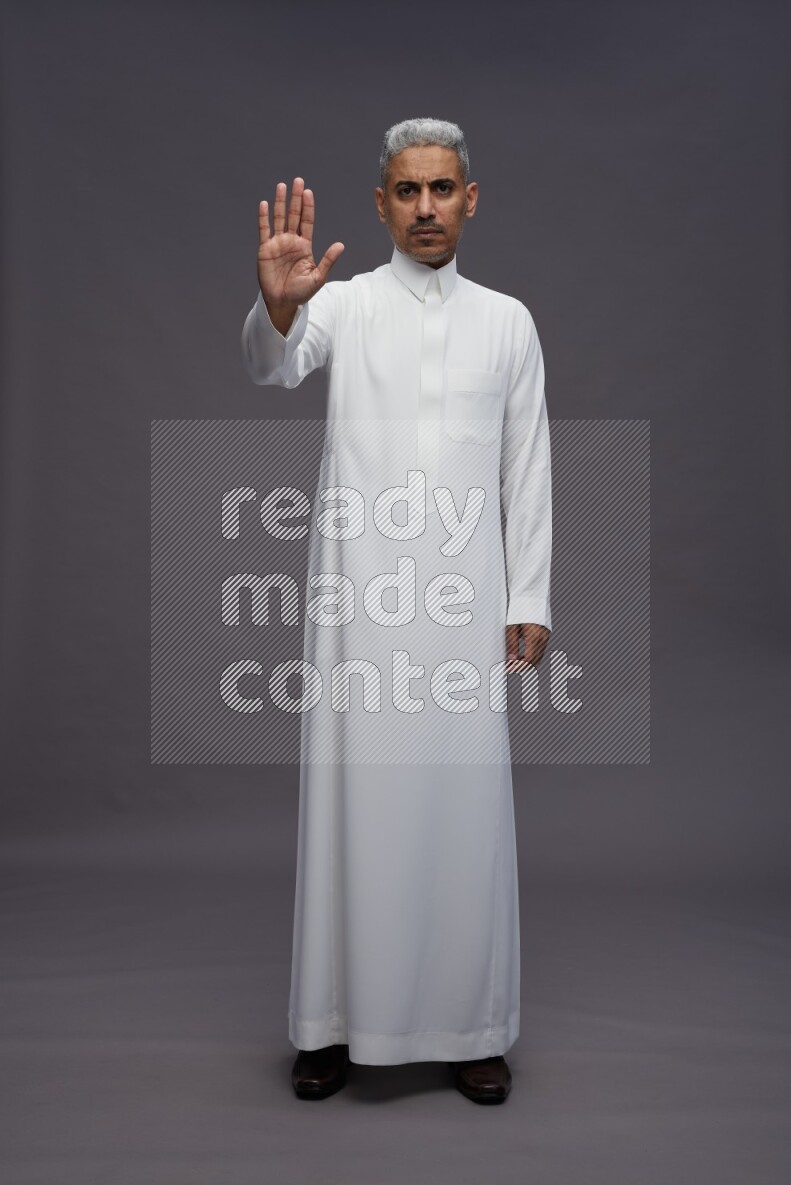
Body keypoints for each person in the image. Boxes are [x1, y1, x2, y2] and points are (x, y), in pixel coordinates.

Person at [241, 117, 552, 1104]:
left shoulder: (506, 320)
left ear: (470, 200)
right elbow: (272, 364)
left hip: (462, 610)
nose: (425, 207)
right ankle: (331, 1024)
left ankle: (470, 1025)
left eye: (442, 189)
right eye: (407, 191)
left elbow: (526, 466)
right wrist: (277, 308)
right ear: (380, 204)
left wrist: (528, 594)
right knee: (352, 800)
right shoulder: (344, 306)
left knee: (461, 812)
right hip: (358, 600)